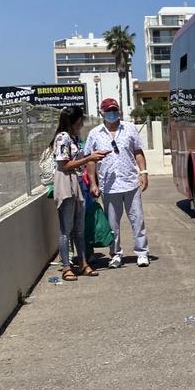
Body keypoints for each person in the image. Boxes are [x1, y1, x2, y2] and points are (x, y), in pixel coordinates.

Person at [85, 98, 150, 268]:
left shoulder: (129, 128)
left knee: (137, 219)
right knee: (112, 223)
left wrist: (143, 172)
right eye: (108, 111)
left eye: (114, 110)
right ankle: (115, 254)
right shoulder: (94, 133)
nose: (112, 113)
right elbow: (90, 160)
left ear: (118, 111)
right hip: (109, 186)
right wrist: (93, 183)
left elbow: (138, 151)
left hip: (130, 183)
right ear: (102, 113)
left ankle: (142, 253)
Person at [53, 106, 109, 281]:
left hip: (77, 184)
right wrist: (89, 158)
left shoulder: (74, 138)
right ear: (75, 120)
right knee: (66, 229)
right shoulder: (62, 138)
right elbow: (64, 165)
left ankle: (83, 264)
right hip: (66, 185)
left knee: (79, 229)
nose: (82, 123)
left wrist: (91, 157)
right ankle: (66, 267)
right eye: (80, 120)